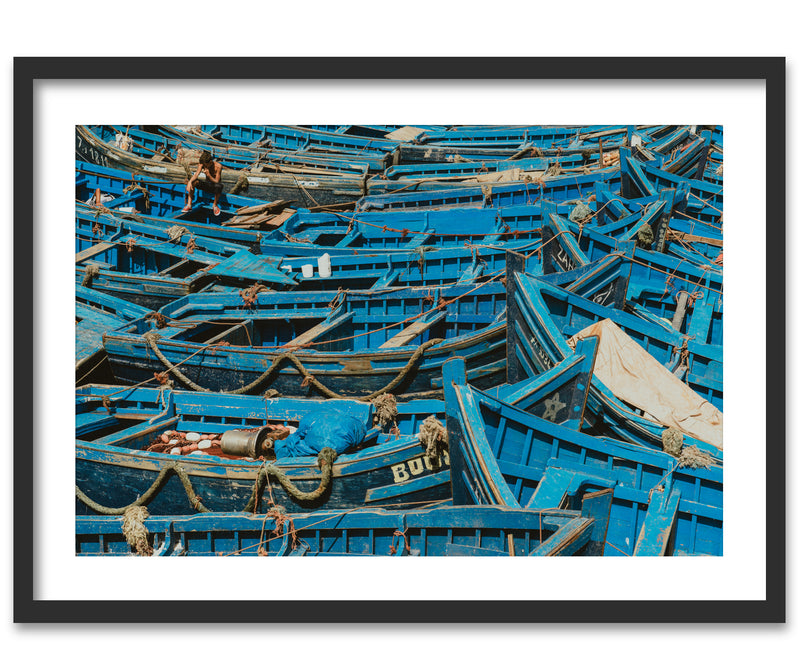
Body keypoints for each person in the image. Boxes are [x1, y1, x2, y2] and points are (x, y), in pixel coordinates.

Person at [182, 150, 223, 216]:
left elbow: (217, 181)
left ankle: (215, 205)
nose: (205, 166)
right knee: (194, 182)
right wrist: (190, 182)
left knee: (220, 186)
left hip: (214, 186)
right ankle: (189, 205)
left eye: (206, 165)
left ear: (210, 162)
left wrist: (209, 175)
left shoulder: (218, 167)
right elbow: (196, 175)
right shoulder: (202, 164)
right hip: (207, 184)